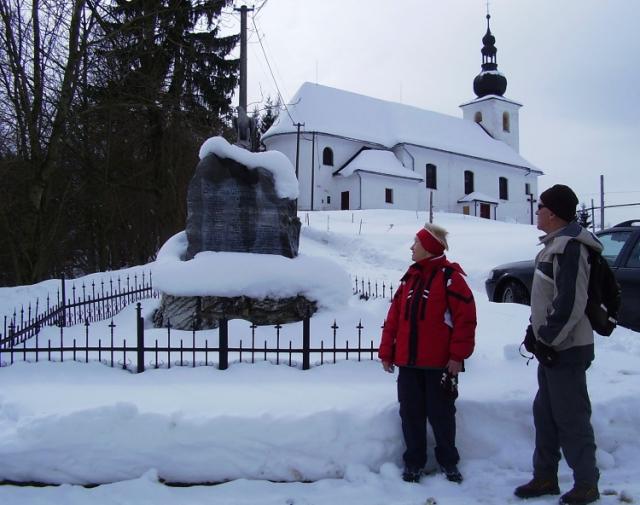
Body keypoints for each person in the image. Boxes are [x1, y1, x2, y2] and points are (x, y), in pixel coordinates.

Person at [514, 184, 601, 505]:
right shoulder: (553, 246)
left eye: (540, 207)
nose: (536, 212)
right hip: (552, 349)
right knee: (546, 414)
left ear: (551, 212)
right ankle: (545, 477)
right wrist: (533, 333)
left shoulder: (571, 247)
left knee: (571, 416)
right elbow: (546, 299)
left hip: (568, 349)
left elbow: (571, 302)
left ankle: (587, 483)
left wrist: (548, 338)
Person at [378, 223, 476, 484]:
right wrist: (387, 351)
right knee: (410, 414)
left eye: (417, 243)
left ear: (430, 248)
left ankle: (448, 462)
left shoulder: (451, 278)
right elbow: (394, 319)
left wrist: (457, 356)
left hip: (439, 365)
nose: (412, 247)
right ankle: (414, 462)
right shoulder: (410, 278)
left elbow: (465, 320)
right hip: (408, 364)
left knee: (442, 415)